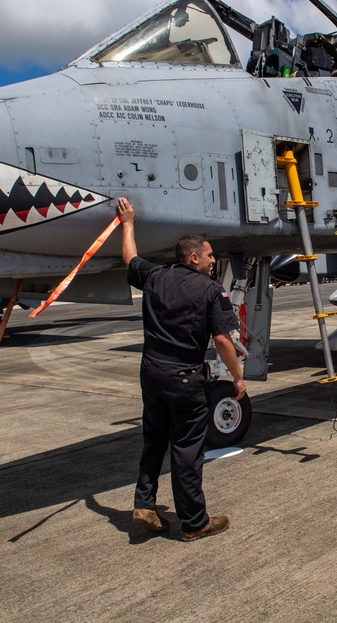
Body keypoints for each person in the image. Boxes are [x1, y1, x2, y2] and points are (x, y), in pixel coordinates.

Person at [117, 197, 246, 541]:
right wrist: (237, 376)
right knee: (187, 451)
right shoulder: (210, 291)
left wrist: (127, 223)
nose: (213, 259)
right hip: (185, 379)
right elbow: (221, 340)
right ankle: (194, 523)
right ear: (194, 258)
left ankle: (144, 505)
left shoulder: (155, 276)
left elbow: (129, 258)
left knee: (153, 440)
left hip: (151, 374)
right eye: (209, 255)